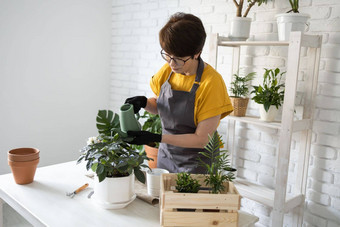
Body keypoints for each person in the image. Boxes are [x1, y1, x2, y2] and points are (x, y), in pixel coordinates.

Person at [125, 12, 233, 173]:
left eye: (179, 58)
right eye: (168, 55)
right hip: (166, 157)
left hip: (198, 163)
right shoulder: (167, 71)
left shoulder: (212, 83)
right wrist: (145, 102)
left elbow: (201, 140)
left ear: (197, 53)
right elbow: (160, 106)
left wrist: (156, 138)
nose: (172, 64)